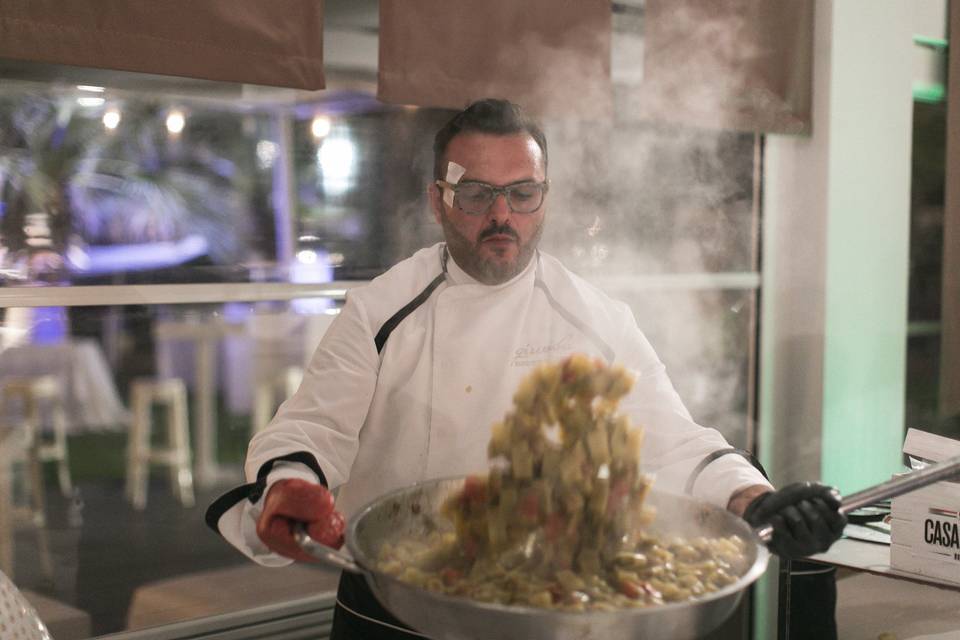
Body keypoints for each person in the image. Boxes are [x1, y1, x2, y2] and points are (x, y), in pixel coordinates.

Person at [206, 98, 846, 639]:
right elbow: (309, 431)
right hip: (395, 610)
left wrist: (756, 498)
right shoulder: (381, 310)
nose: (500, 215)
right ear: (439, 200)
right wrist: (290, 482)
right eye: (476, 193)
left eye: (522, 192)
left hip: (546, 610)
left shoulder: (595, 316)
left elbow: (675, 438)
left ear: (546, 198)